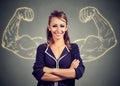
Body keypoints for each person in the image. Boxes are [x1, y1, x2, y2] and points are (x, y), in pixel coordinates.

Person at [32, 10, 85, 86]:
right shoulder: (42, 48)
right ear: (49, 27)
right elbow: (38, 73)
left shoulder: (73, 48)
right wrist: (69, 71)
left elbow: (79, 72)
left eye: (62, 26)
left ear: (66, 27)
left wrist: (51, 70)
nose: (58, 30)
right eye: (54, 26)